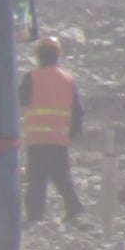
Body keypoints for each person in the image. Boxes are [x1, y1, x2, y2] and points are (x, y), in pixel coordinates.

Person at [20, 33, 84, 224]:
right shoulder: (68, 80)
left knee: (36, 180)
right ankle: (74, 208)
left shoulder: (31, 77)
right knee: (62, 177)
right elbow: (78, 111)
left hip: (37, 141)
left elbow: (21, 100)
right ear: (57, 55)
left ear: (39, 55)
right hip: (58, 141)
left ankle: (34, 216)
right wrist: (71, 134)